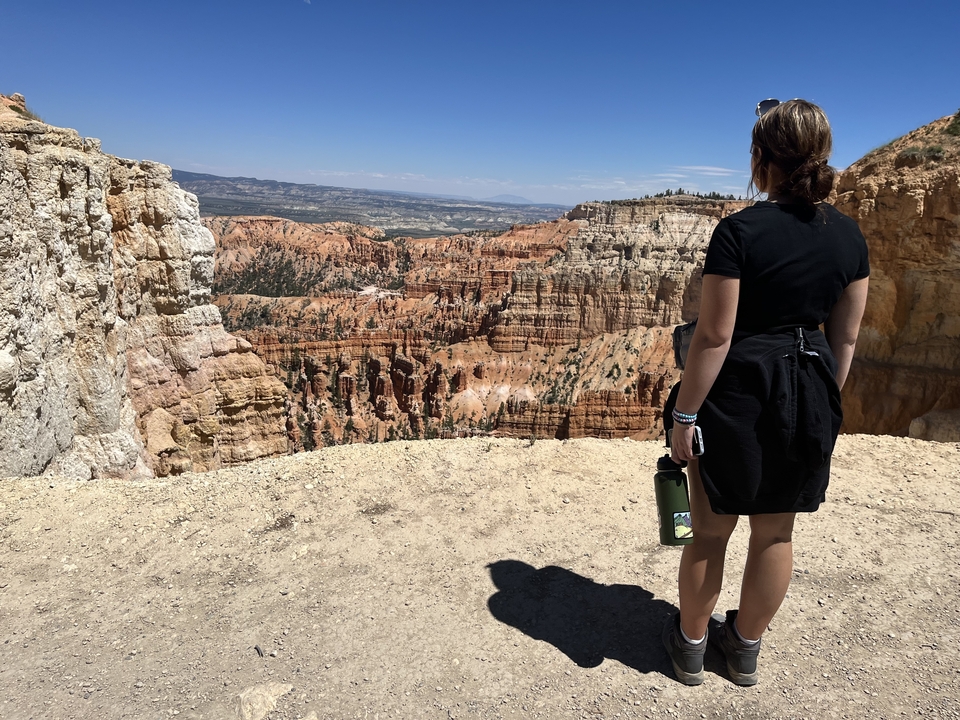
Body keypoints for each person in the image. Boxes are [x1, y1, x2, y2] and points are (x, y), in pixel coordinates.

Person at [661, 99, 870, 686]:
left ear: (761, 159)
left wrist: (684, 416)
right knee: (776, 532)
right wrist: (825, 404)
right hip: (809, 392)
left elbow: (715, 336)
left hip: (738, 395)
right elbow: (845, 336)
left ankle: (691, 647)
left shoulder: (739, 231)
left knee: (709, 531)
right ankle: (745, 649)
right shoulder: (849, 236)